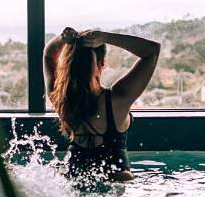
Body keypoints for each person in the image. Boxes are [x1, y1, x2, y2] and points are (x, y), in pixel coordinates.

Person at [44, 27, 160, 182]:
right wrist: (106, 37)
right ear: (103, 62)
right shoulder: (119, 98)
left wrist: (63, 39)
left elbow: (48, 55)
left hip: (74, 182)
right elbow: (152, 51)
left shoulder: (61, 98)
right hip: (115, 189)